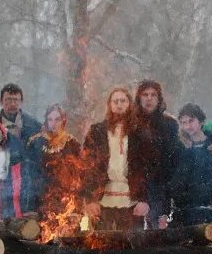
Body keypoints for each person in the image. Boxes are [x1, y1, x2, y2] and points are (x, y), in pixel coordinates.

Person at [82, 87, 146, 231]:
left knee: (131, 246)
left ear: (129, 104)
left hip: (133, 200)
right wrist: (91, 199)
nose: (119, 105)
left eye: (123, 101)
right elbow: (88, 167)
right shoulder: (96, 131)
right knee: (102, 245)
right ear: (110, 105)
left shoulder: (139, 133)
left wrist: (144, 200)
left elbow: (146, 168)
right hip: (103, 199)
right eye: (115, 101)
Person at [133, 80, 182, 228]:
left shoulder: (170, 124)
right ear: (139, 98)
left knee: (159, 232)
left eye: (153, 95)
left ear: (159, 98)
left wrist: (171, 186)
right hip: (136, 185)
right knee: (135, 235)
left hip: (161, 186)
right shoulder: (131, 124)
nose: (149, 98)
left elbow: (174, 158)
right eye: (145, 94)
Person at [25, 104, 82, 216]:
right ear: (46, 121)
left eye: (57, 119)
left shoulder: (72, 143)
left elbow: (77, 174)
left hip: (63, 196)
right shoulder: (35, 142)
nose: (53, 123)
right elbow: (29, 172)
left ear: (63, 121)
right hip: (40, 195)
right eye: (50, 119)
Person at [168, 103, 212, 226]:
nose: (188, 126)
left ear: (200, 121)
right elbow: (175, 175)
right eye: (184, 122)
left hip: (209, 204)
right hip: (186, 207)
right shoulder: (179, 146)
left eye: (191, 121)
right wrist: (178, 195)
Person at [0, 83, 42, 212]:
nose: (12, 104)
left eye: (15, 100)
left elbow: (39, 158)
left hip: (28, 186)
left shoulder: (34, 126)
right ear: (1, 101)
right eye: (8, 100)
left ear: (21, 102)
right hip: (1, 185)